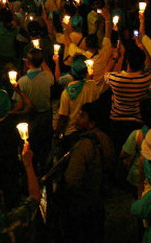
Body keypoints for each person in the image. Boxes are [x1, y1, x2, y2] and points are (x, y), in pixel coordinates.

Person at [59, 101, 115, 242]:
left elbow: (72, 179)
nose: (77, 119)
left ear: (92, 123)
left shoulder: (83, 146)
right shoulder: (105, 138)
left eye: (82, 116)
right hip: (99, 198)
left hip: (83, 201)